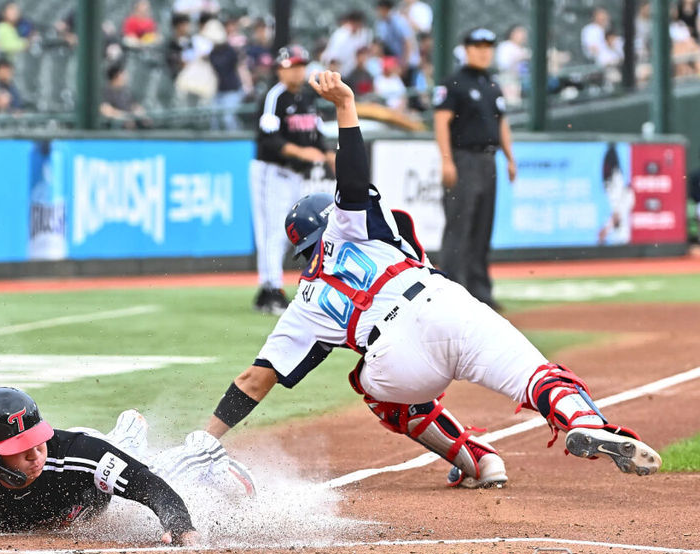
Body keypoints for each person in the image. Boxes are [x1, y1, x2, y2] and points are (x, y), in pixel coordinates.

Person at [199, 70, 663, 491]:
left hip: (396, 361)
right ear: (330, 220)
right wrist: (345, 106)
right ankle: (587, 422)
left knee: (377, 390)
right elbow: (355, 178)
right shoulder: (350, 225)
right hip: (446, 304)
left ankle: (477, 461)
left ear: (302, 249)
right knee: (540, 378)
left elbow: (254, 381)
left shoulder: (304, 299)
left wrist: (202, 439)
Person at [0, 387, 256, 545]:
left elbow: (148, 486)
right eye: (22, 447)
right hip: (93, 451)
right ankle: (126, 432)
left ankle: (202, 449)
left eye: (37, 441)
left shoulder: (70, 453)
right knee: (118, 446)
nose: (37, 453)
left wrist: (178, 523)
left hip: (97, 471)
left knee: (141, 461)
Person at [432, 27, 515, 310]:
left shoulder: (492, 85)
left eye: (488, 46)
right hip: (463, 158)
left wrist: (510, 157)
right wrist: (446, 160)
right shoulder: (453, 83)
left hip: (488, 160)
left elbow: (501, 122)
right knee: (459, 227)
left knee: (482, 228)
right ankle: (454, 292)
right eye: (477, 46)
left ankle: (481, 293)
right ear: (466, 49)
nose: (483, 51)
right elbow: (441, 121)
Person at [250, 45, 333, 315]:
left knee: (284, 233)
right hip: (271, 171)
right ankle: (271, 289)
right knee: (272, 231)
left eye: (300, 65)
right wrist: (302, 152)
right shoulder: (275, 96)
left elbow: (316, 134)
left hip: (294, 174)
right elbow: (268, 138)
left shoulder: (307, 98)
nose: (297, 71)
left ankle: (268, 290)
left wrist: (328, 154)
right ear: (280, 69)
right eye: (291, 66)